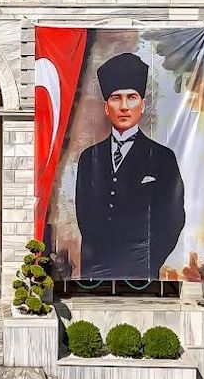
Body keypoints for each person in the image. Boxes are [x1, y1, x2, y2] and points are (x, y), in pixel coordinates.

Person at [73, 52, 186, 279]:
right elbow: (83, 215)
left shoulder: (163, 158)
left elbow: (172, 218)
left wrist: (147, 260)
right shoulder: (88, 158)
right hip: (96, 270)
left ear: (142, 105)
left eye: (131, 97)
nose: (124, 106)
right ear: (106, 107)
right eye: (116, 98)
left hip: (141, 270)